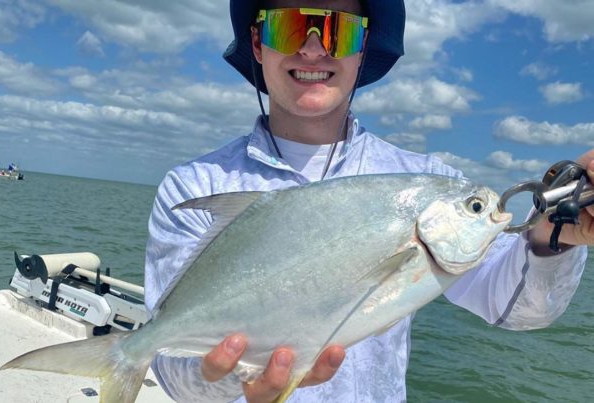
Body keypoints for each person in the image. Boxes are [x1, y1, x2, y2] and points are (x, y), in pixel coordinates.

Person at [145, 1, 593, 402]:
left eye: (339, 31)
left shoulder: (435, 186)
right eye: (289, 27)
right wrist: (235, 377)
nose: (313, 49)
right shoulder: (194, 188)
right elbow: (173, 373)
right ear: (259, 45)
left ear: (362, 51)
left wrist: (552, 240)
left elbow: (514, 309)